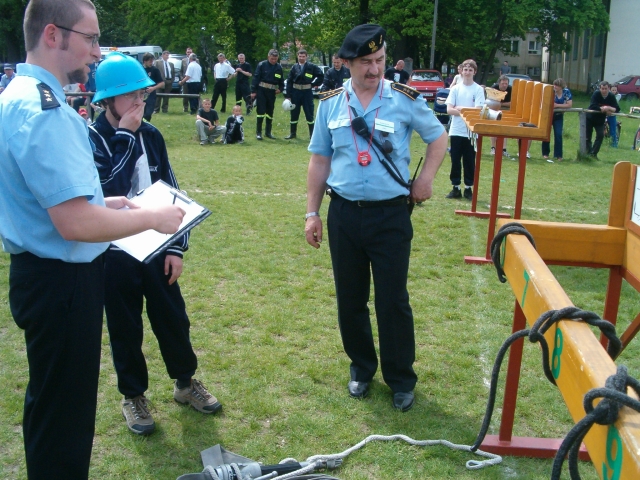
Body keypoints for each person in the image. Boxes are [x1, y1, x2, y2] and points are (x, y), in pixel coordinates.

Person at [0, 1, 185, 477]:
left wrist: (111, 203)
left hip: (47, 278)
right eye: (91, 38)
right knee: (64, 421)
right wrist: (152, 219)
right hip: (61, 282)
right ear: (53, 35)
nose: (97, 52)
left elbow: (68, 203)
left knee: (53, 409)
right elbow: (75, 223)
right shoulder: (44, 110)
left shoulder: (22, 96)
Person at [305, 24, 448, 412]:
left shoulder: (403, 98)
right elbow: (319, 161)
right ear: (347, 63)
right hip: (344, 214)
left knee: (392, 300)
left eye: (380, 60)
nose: (374, 69)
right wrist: (312, 213)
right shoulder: (330, 103)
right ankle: (361, 369)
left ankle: (400, 378)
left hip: (390, 216)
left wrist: (426, 179)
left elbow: (438, 138)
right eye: (366, 62)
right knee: (350, 299)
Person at [88, 52, 222, 437]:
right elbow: (107, 191)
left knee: (172, 317)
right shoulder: (92, 137)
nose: (138, 102)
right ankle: (133, 395)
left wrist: (176, 248)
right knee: (125, 326)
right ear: (107, 100)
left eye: (142, 95)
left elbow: (171, 190)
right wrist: (125, 136)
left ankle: (185, 382)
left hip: (157, 247)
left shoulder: (152, 134)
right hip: (113, 252)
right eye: (129, 95)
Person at [445, 59, 484, 199]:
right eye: (465, 70)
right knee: (455, 160)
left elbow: (478, 111)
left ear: (474, 72)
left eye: (470, 70)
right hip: (456, 130)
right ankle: (455, 188)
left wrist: (461, 108)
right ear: (461, 71)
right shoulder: (455, 89)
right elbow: (449, 109)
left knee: (469, 160)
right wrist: (465, 111)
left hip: (471, 131)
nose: (467, 72)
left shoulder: (478, 89)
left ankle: (468, 188)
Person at [284, 49, 324, 139]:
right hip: (295, 92)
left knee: (309, 113)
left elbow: (321, 76)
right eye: (300, 56)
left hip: (307, 93)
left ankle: (312, 135)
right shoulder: (294, 67)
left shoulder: (312, 67)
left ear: (306, 57)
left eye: (303, 56)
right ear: (297, 56)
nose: (301, 58)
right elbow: (289, 81)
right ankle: (292, 134)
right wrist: (288, 96)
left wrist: (314, 84)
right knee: (294, 113)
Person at [251, 48, 284, 140]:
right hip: (261, 90)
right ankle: (258, 132)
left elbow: (281, 81)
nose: (273, 61)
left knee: (270, 112)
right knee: (261, 111)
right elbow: (256, 78)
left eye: (275, 59)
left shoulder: (279, 67)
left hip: (272, 92)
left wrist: (280, 89)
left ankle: (268, 132)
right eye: (272, 59)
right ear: (268, 57)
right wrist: (253, 91)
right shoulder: (262, 65)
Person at [586, 81, 620, 159]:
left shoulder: (611, 96)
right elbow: (592, 106)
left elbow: (617, 108)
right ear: (600, 88)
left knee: (600, 135)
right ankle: (588, 154)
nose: (604, 90)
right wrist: (602, 109)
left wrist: (608, 108)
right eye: (602, 89)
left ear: (609, 88)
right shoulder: (596, 94)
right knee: (587, 137)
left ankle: (593, 154)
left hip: (600, 120)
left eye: (605, 89)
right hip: (590, 118)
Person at [541, 78, 572, 162]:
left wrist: (557, 105)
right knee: (546, 134)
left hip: (558, 115)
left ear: (561, 86)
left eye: (557, 85)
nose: (555, 87)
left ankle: (558, 155)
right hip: (549, 115)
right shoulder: (550, 91)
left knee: (558, 134)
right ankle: (545, 153)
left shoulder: (566, 92)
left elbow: (569, 105)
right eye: (554, 85)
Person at [489, 75, 512, 155]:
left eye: (506, 84)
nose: (504, 85)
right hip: (494, 110)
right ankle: (493, 148)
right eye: (503, 84)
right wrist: (502, 104)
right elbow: (491, 102)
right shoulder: (494, 88)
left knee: (504, 129)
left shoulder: (510, 89)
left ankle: (504, 149)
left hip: (506, 110)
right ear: (499, 83)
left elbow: (512, 103)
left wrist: (500, 104)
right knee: (493, 128)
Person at [141, 52, 164, 122]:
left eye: (152, 61)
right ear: (145, 61)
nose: (151, 63)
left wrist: (153, 88)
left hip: (151, 95)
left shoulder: (155, 70)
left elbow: (162, 83)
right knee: (140, 113)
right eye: (150, 61)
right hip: (140, 95)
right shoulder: (140, 70)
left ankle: (146, 125)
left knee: (148, 114)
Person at [180, 47, 196, 112]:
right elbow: (181, 71)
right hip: (185, 80)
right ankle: (185, 107)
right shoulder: (183, 60)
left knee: (193, 95)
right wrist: (182, 78)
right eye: (188, 52)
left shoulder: (196, 60)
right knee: (185, 95)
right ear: (186, 53)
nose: (189, 53)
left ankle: (194, 107)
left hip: (193, 80)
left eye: (190, 52)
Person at [607, 83, 621, 148]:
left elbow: (614, 101)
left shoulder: (618, 96)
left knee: (613, 130)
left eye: (615, 90)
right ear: (610, 89)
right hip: (606, 113)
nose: (614, 91)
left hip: (612, 114)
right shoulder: (607, 94)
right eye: (613, 90)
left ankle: (614, 143)